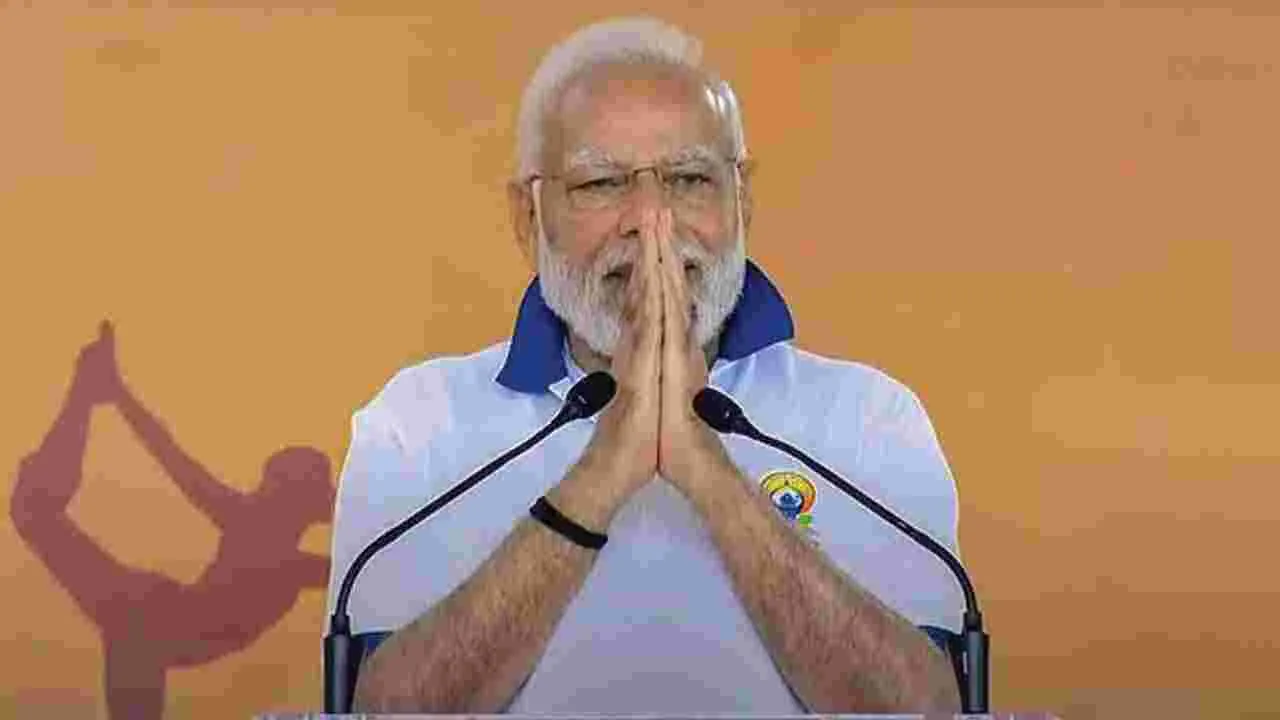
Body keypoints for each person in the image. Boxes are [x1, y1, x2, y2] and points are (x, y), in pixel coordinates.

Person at [326, 16, 965, 715]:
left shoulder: (871, 418)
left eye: (689, 179)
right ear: (527, 217)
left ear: (742, 199)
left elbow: (928, 709)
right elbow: (380, 711)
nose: (651, 218)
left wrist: (707, 469)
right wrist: (603, 472)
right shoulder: (417, 424)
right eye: (602, 183)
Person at [11, 321, 334, 720]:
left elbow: (171, 457)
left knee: (33, 510)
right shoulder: (255, 530)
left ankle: (88, 387)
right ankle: (87, 388)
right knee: (33, 509)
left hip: (150, 617)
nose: (260, 492)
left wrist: (118, 394)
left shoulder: (282, 556)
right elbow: (171, 457)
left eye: (273, 486)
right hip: (152, 615)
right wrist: (119, 395)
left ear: (295, 502)